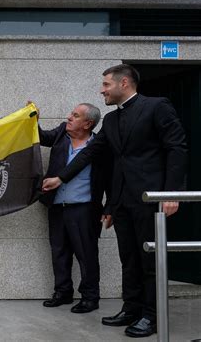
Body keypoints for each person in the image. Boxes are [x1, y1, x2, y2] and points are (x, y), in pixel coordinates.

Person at [43, 64, 187, 338]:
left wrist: (172, 193)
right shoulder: (109, 120)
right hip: (121, 202)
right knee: (128, 259)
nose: (102, 90)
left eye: (106, 85)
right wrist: (61, 179)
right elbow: (89, 154)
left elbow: (176, 148)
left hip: (150, 199)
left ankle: (151, 316)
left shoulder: (157, 107)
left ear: (124, 84)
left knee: (149, 261)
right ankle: (131, 308)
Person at [39, 103, 112, 314]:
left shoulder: (99, 145)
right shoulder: (62, 132)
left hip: (84, 209)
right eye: (71, 113)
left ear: (88, 123)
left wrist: (110, 207)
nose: (69, 117)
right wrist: (32, 119)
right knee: (59, 252)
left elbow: (111, 178)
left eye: (75, 115)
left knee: (86, 254)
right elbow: (42, 138)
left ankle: (90, 297)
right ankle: (62, 292)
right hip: (57, 207)